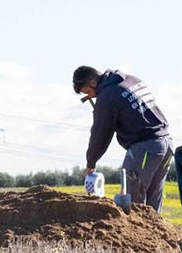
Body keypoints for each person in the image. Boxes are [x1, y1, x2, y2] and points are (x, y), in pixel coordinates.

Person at [74, 66, 173, 212]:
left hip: (145, 147)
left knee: (132, 202)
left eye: (88, 92)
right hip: (166, 143)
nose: (92, 97)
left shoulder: (107, 96)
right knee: (153, 201)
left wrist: (91, 162)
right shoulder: (131, 80)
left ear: (93, 82)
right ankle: (153, 234)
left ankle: (135, 235)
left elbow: (100, 133)